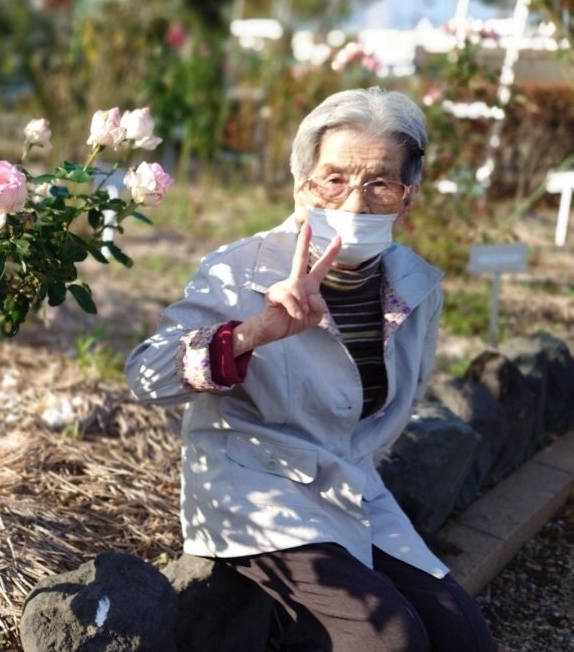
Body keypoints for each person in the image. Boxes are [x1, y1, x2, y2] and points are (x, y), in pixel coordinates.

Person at [125, 87, 495, 651]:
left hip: (350, 483)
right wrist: (254, 332)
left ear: (409, 196)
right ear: (303, 185)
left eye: (380, 182)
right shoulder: (240, 267)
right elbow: (145, 375)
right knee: (390, 640)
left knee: (462, 636)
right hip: (253, 483)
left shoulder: (415, 285)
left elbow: (391, 406)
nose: (354, 202)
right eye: (335, 178)